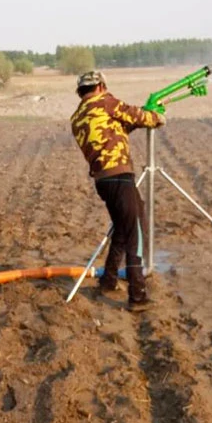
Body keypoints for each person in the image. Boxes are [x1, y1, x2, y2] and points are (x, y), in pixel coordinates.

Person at [70, 70, 166, 310]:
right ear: (101, 86)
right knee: (137, 232)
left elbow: (115, 130)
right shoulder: (107, 102)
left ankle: (108, 279)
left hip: (103, 181)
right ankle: (138, 296)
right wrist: (157, 114)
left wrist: (143, 115)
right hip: (120, 176)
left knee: (123, 229)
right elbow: (141, 117)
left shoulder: (78, 116)